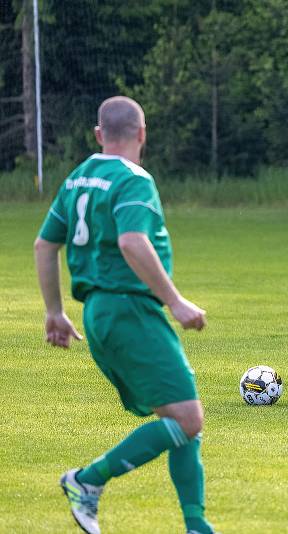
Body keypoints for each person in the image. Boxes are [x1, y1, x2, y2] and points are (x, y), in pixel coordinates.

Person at [35, 96, 215, 534]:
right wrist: (175, 301)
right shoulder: (133, 178)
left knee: (181, 416)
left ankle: (196, 525)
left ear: (99, 134)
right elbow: (133, 242)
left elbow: (45, 245)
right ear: (142, 133)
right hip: (130, 309)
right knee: (187, 419)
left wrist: (55, 312)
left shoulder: (77, 178)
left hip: (98, 312)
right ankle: (87, 480)